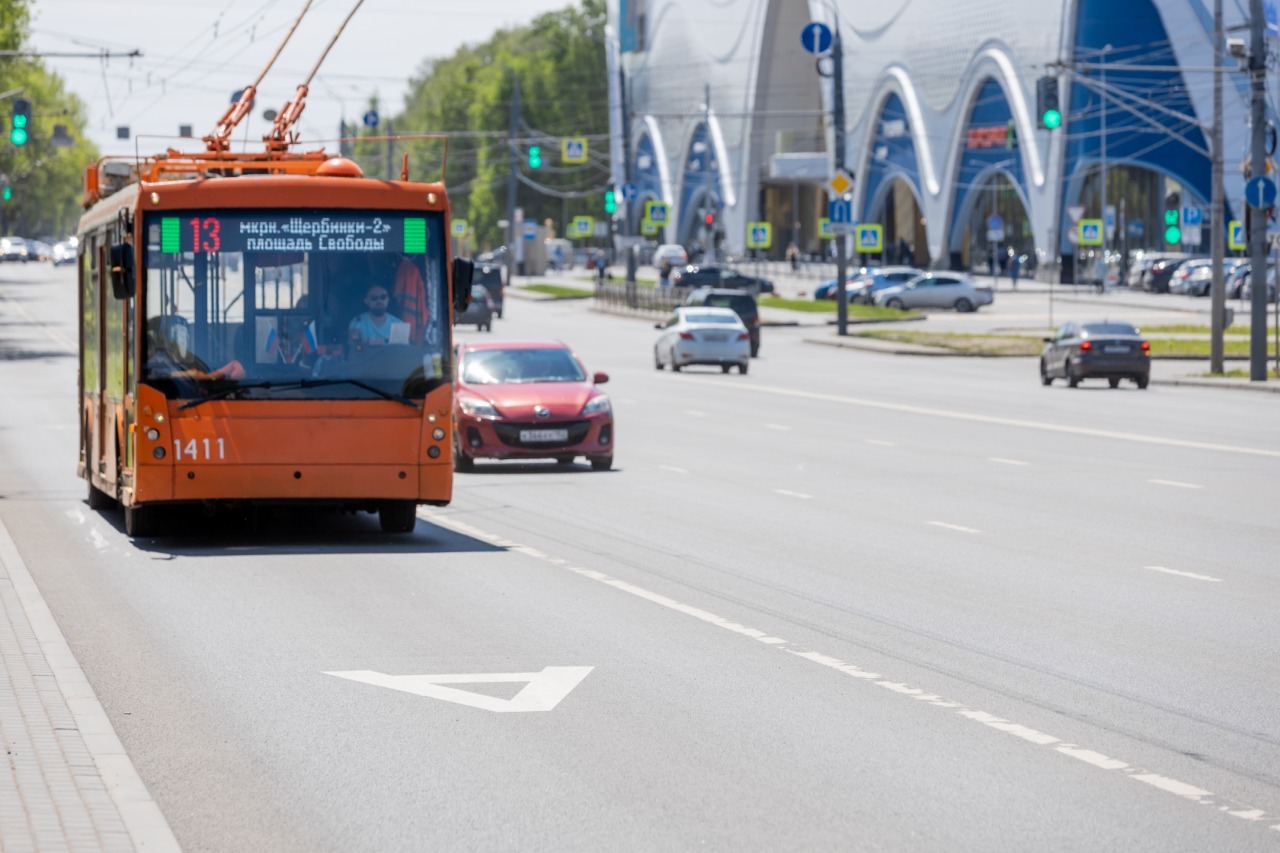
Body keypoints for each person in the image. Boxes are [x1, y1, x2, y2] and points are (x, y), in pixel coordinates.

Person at [348, 283, 409, 348]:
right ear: (366, 301)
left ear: (387, 300)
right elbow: (354, 347)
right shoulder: (358, 322)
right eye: (374, 298)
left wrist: (368, 341)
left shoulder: (398, 323)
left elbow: (403, 350)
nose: (379, 301)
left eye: (383, 297)